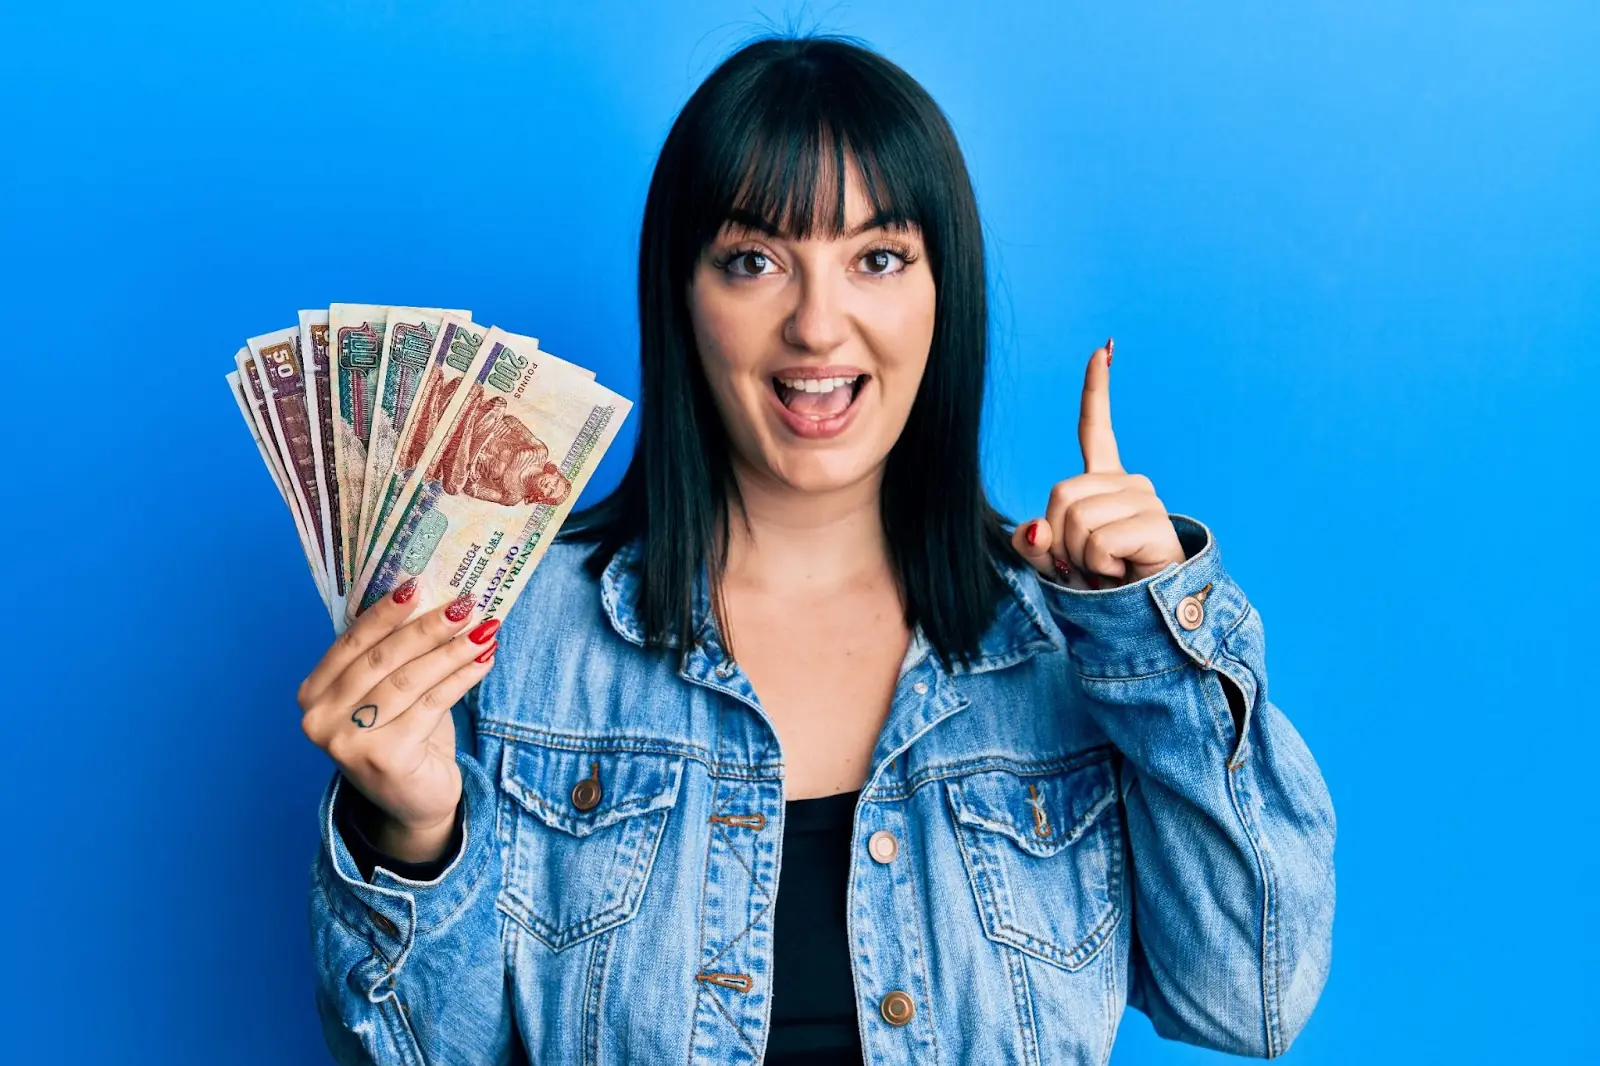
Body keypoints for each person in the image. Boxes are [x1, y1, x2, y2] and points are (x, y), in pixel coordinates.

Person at [298, 33, 1335, 1065]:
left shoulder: (1068, 644)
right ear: (684, 298)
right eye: (754, 261)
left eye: (877, 258)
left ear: (944, 293)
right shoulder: (510, 641)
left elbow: (1250, 994)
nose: (817, 324)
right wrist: (411, 835)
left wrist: (1148, 646)